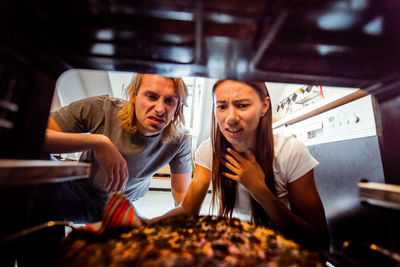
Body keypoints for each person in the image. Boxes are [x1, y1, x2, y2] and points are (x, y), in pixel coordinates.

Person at [15, 73, 192, 267]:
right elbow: (30, 136)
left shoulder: (180, 140)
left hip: (119, 206)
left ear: (178, 106)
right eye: (151, 96)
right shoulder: (102, 109)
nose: (160, 108)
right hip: (80, 195)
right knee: (37, 167)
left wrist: (160, 226)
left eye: (169, 101)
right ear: (133, 95)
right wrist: (98, 142)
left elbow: (183, 197)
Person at [153, 80, 330, 250]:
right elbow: (188, 208)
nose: (230, 118)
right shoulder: (209, 150)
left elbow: (319, 242)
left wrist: (259, 190)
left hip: (280, 252)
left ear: (264, 106)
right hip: (233, 250)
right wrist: (145, 223)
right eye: (222, 106)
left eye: (243, 105)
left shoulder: (290, 151)